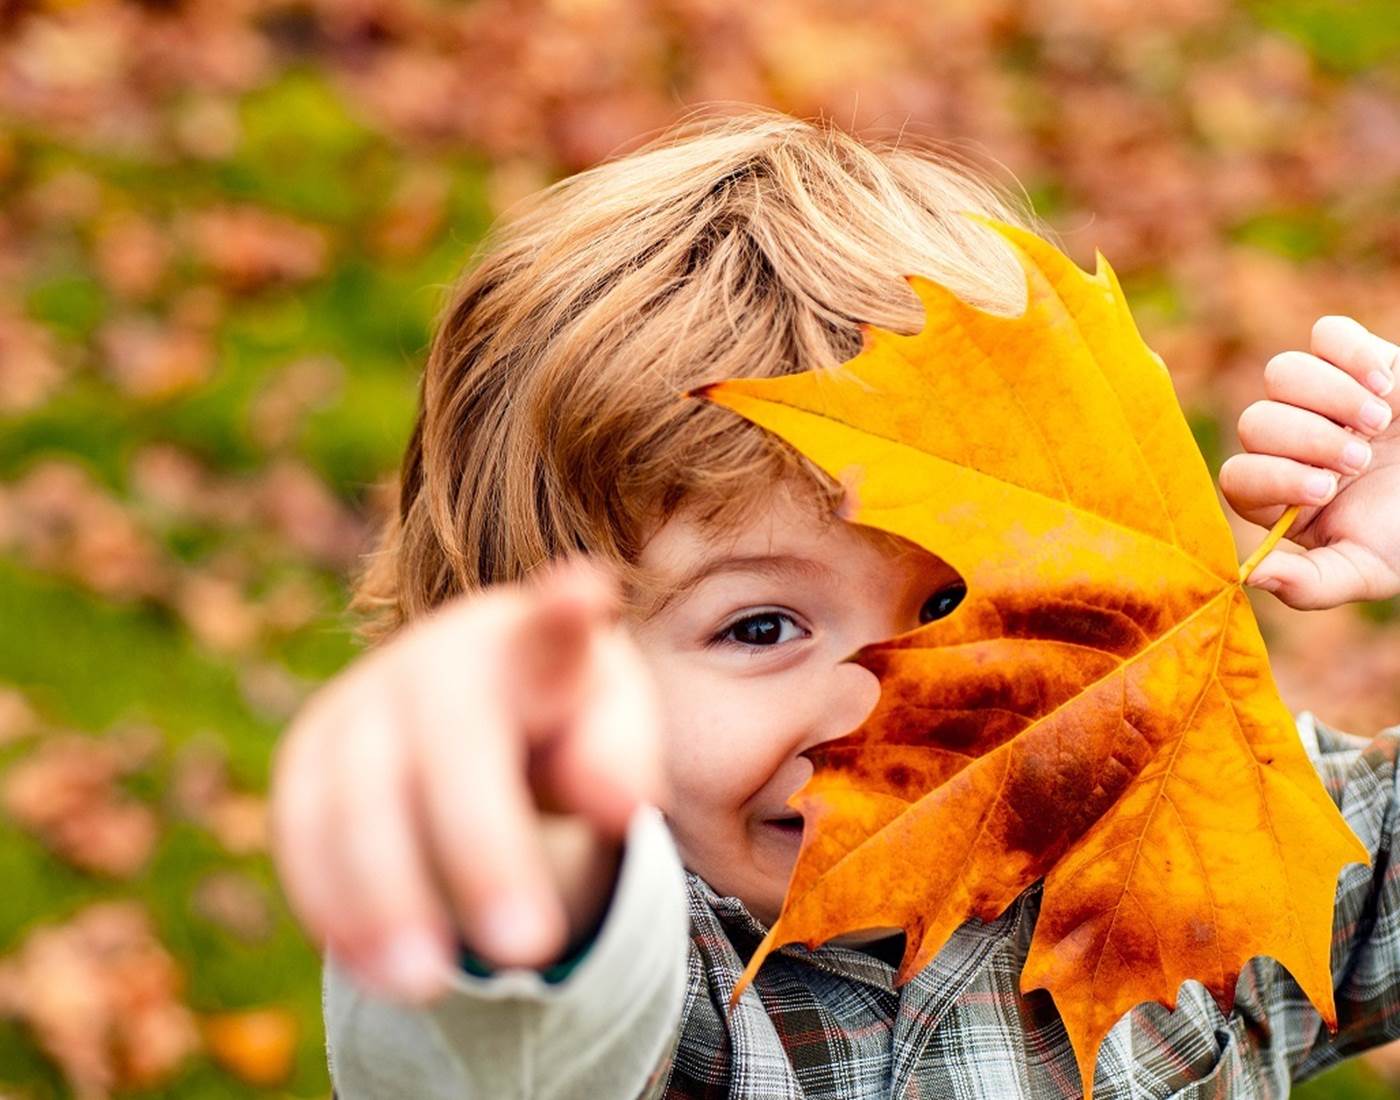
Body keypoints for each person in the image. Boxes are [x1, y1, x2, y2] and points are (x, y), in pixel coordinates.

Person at [269, 106, 1400, 1098]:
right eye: (759, 626)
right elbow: (504, 1028)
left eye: (953, 599)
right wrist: (515, 837)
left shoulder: (1177, 836)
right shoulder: (670, 994)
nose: (880, 699)